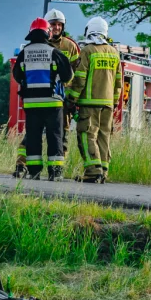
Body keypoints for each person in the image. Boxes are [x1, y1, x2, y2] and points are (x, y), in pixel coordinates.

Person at [13, 9, 80, 176]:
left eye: (59, 25)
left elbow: (17, 75)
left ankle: (34, 170)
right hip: (54, 102)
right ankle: (54, 171)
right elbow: (69, 75)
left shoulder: (25, 52)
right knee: (55, 136)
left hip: (33, 103)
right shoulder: (54, 52)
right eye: (53, 25)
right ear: (47, 31)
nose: (56, 27)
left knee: (34, 136)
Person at [66, 17, 121, 183]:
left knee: (87, 135)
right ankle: (103, 171)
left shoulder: (88, 51)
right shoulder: (114, 52)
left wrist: (72, 98)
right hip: (108, 105)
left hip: (89, 104)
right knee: (104, 137)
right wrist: (115, 102)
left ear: (89, 30)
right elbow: (119, 82)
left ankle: (92, 171)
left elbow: (80, 78)